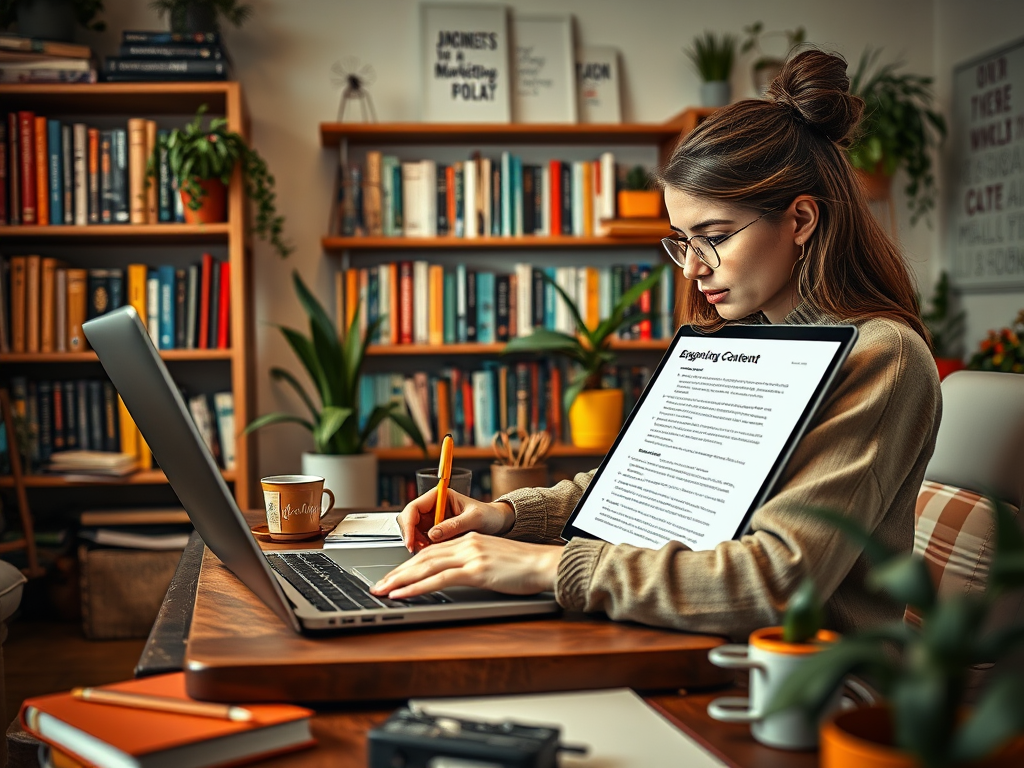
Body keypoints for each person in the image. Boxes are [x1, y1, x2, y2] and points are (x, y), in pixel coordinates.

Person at [371, 49, 942, 640]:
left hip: (803, 683)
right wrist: (507, 516)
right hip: (689, 639)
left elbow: (774, 581)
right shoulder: (743, 339)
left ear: (800, 220)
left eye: (714, 237)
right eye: (682, 241)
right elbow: (636, 490)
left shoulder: (880, 356)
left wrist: (548, 566)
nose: (692, 268)